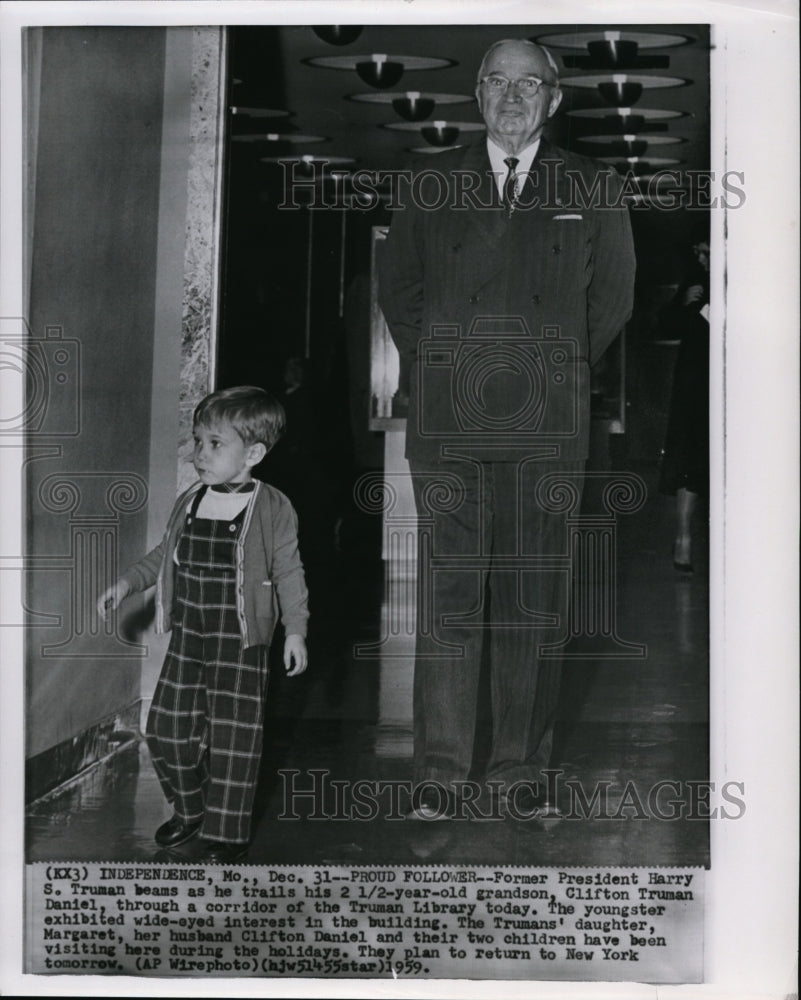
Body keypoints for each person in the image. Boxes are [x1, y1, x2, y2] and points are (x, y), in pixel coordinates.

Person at [378, 39, 635, 819]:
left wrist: (546, 369)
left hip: (547, 421)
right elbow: (401, 294)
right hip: (450, 418)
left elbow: (612, 302)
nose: (513, 97)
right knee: (449, 594)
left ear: (555, 101)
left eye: (530, 85)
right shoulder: (427, 184)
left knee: (532, 595)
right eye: (497, 82)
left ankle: (519, 769)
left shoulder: (592, 186)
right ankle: (440, 773)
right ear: (477, 97)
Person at [97, 386, 308, 862]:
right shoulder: (191, 500)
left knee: (236, 740)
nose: (200, 454)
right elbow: (163, 554)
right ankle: (191, 807)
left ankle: (227, 833)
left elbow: (290, 571)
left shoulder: (272, 508)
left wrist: (296, 630)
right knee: (165, 727)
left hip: (240, 639)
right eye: (197, 442)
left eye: (215, 444)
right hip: (191, 633)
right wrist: (130, 583)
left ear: (253, 453)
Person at [658, 238, 710, 572]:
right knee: (689, 459)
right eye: (698, 253)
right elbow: (665, 324)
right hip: (695, 383)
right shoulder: (695, 281)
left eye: (706, 252)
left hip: (734, 381)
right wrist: (683, 307)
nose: (701, 259)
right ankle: (683, 538)